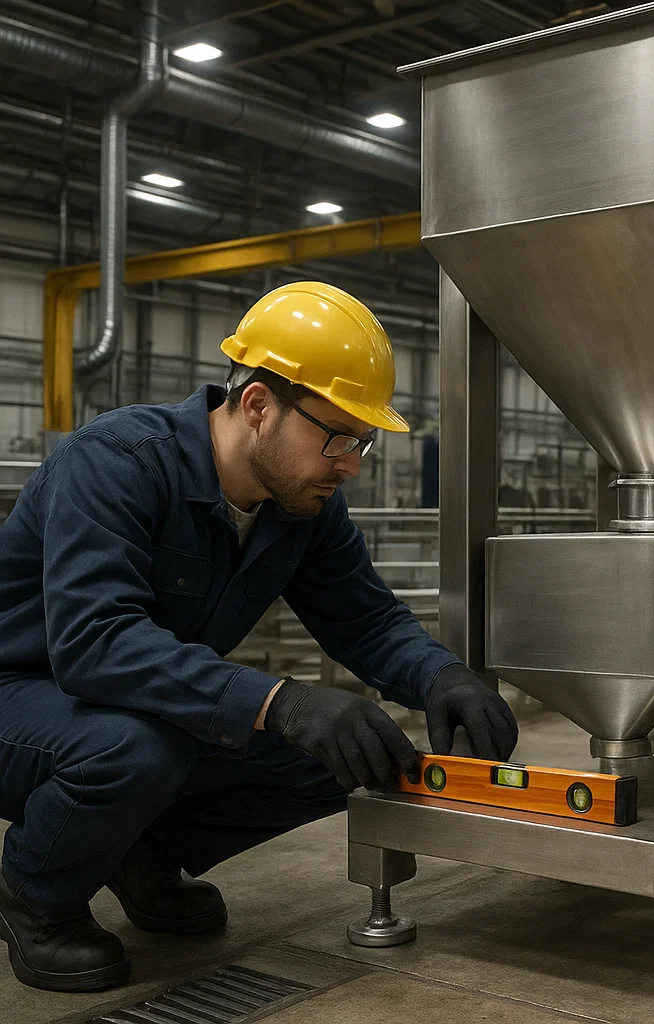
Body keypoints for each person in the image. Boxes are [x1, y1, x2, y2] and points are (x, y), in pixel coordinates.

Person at [0, 281, 519, 993]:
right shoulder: (117, 462)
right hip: (22, 697)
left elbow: (364, 619)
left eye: (361, 441)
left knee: (353, 754)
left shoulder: (301, 508)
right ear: (256, 406)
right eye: (336, 436)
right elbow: (95, 644)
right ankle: (37, 895)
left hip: (119, 703)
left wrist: (441, 676)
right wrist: (280, 700)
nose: (352, 464)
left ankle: (139, 851)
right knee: (138, 748)